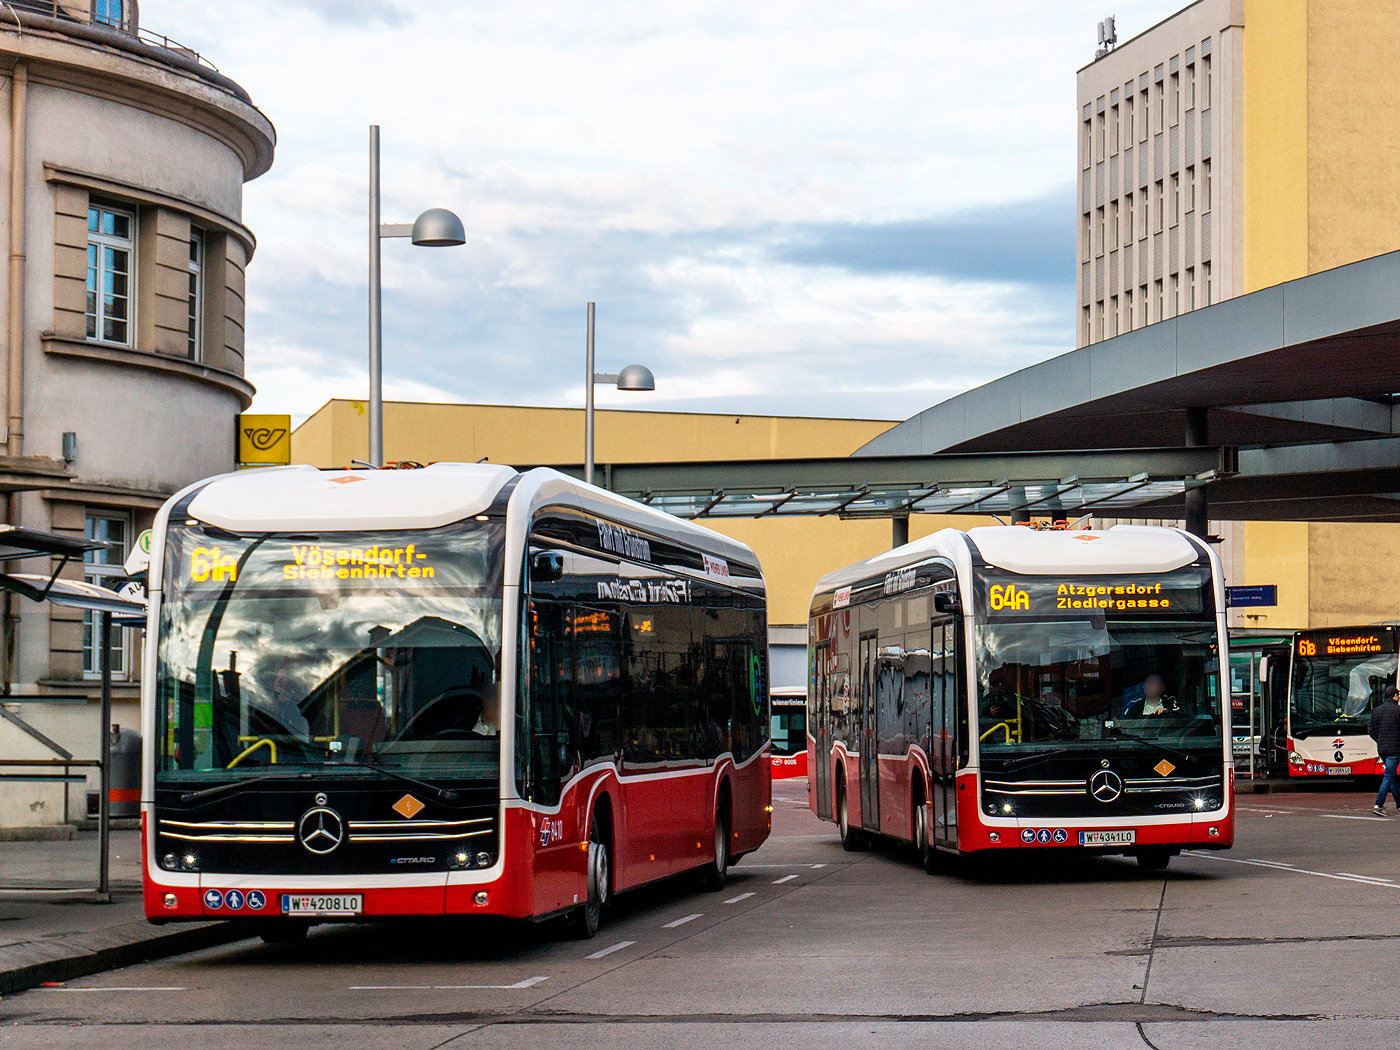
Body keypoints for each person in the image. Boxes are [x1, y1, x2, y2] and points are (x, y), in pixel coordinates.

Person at [1368, 685, 1400, 815]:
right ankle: (1378, 805)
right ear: (1394, 696)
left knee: (1392, 778)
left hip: (1382, 749)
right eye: (1398, 695)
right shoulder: (1398, 710)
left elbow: (1371, 730)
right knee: (1388, 777)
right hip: (1395, 749)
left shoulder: (1377, 711)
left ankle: (1399, 805)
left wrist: (1380, 740)